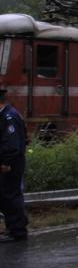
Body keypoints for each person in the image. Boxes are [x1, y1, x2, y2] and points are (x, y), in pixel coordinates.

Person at [0, 88, 28, 242]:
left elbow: (11, 145)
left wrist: (5, 162)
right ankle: (13, 226)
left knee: (11, 195)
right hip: (9, 162)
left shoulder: (9, 117)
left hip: (11, 163)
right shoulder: (6, 115)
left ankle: (18, 230)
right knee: (6, 195)